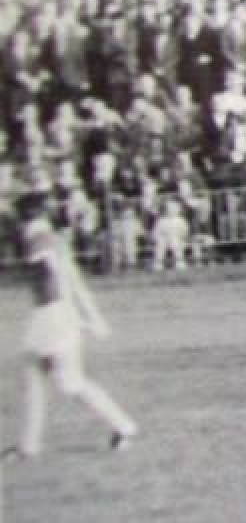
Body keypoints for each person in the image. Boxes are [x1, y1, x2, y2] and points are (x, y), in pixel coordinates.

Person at [4, 193, 139, 460]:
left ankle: (124, 427)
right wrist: (90, 316)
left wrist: (78, 315)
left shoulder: (38, 240)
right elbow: (73, 281)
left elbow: (56, 275)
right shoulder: (52, 239)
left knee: (68, 384)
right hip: (51, 315)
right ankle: (28, 447)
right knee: (36, 377)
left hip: (52, 316)